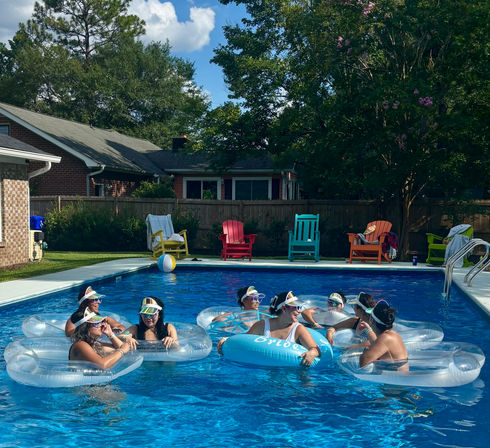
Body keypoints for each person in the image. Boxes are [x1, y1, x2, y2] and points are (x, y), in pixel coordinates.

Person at [217, 291, 321, 366]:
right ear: (284, 308)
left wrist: (312, 353)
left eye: (300, 308)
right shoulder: (262, 325)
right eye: (296, 308)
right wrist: (227, 340)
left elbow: (315, 349)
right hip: (264, 370)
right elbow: (243, 340)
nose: (299, 311)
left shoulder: (298, 329)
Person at [69, 307, 136, 369]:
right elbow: (102, 365)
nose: (101, 325)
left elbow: (123, 349)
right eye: (96, 323)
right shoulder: (80, 345)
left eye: (100, 322)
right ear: (84, 327)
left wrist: (110, 334)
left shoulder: (94, 344)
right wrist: (121, 351)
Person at [358, 301, 408, 371]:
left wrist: (366, 350)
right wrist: (368, 330)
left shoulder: (385, 338)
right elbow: (378, 345)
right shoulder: (393, 334)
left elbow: (363, 362)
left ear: (372, 320)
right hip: (398, 379)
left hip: (393, 380)